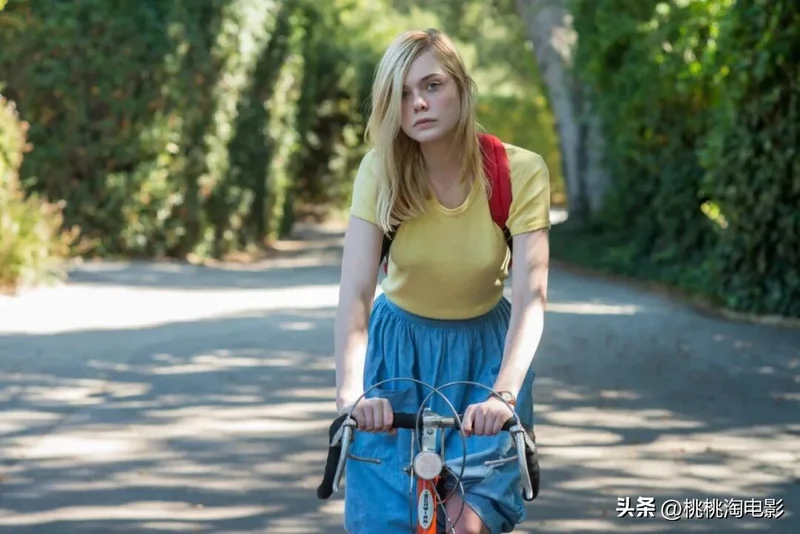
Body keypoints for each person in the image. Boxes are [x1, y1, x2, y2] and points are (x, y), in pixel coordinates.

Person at [333, 27, 550, 534]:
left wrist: (504, 394)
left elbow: (530, 298)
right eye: (403, 93)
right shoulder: (380, 172)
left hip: (488, 361)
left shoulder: (519, 172)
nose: (418, 103)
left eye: (432, 85)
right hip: (395, 361)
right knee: (386, 522)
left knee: (466, 525)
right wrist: (351, 396)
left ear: (462, 87)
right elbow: (356, 295)